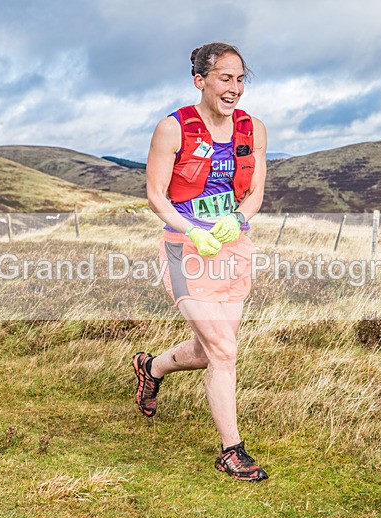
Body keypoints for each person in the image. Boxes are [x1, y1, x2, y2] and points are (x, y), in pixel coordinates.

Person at [132, 42, 269, 482]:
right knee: (224, 352)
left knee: (215, 351)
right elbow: (156, 196)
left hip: (233, 251)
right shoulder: (172, 129)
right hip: (184, 249)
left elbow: (254, 197)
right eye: (226, 78)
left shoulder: (254, 129)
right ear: (201, 81)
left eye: (241, 79)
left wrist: (236, 221)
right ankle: (232, 451)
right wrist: (191, 230)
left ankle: (151, 368)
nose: (235, 88)